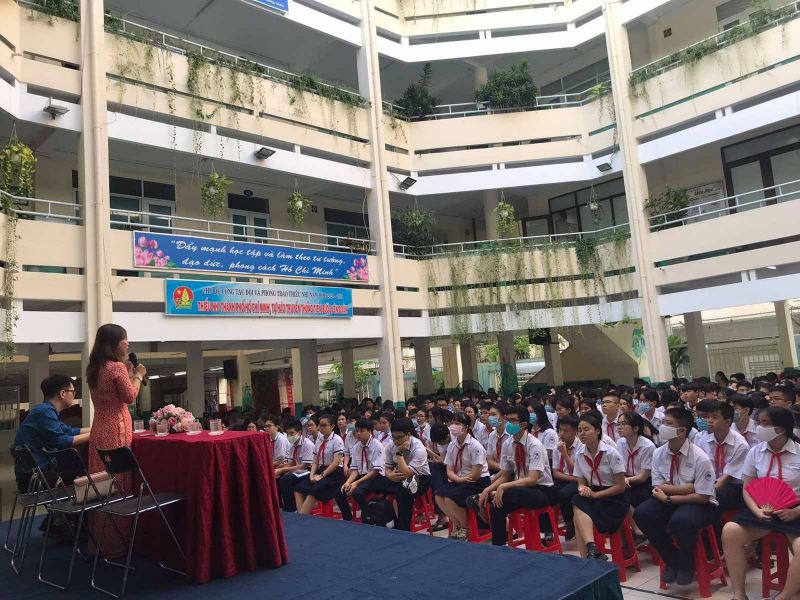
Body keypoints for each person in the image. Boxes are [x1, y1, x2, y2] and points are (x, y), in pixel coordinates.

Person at [633, 407, 717, 586]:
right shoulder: (659, 453)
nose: (662, 427)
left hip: (699, 504)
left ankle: (687, 563)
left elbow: (702, 496)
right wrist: (687, 488)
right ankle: (671, 559)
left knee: (681, 521)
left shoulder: (700, 457)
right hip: (670, 498)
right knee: (642, 514)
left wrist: (671, 497)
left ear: (681, 431)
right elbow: (658, 487)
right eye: (663, 422)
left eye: (668, 424)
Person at [723, 406, 800, 600]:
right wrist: (756, 510)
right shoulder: (755, 451)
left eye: (765, 424)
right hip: (761, 507)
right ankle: (739, 594)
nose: (759, 428)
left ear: (781, 428)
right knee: (730, 531)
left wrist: (796, 512)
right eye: (759, 423)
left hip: (794, 509)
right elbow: (747, 487)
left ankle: (784, 596)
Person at [85, 324, 145, 556]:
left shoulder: (95, 367)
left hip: (99, 427)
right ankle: (117, 543)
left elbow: (111, 394)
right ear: (114, 342)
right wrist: (138, 376)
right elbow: (129, 397)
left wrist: (128, 374)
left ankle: (100, 542)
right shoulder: (116, 367)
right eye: (124, 338)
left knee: (101, 484)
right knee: (118, 482)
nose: (127, 343)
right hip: (117, 428)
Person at [477, 406, 556, 546]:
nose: (508, 424)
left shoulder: (534, 445)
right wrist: (488, 489)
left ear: (523, 424)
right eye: (508, 420)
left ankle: (485, 497)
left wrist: (503, 487)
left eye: (513, 421)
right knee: (496, 506)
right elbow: (505, 475)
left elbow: (532, 480)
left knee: (511, 492)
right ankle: (499, 546)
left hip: (541, 490)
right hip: (519, 489)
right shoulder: (508, 444)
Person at [14, 374, 91, 493]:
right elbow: (62, 441)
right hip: (35, 477)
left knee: (76, 466)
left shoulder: (44, 410)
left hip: (33, 473)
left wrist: (95, 429)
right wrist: (94, 435)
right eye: (73, 392)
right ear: (62, 393)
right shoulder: (44, 412)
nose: (74, 395)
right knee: (83, 470)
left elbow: (68, 431)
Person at [352, 418, 431, 531]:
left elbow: (408, 474)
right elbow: (387, 467)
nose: (396, 441)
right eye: (394, 437)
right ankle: (381, 518)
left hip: (419, 478)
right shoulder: (390, 445)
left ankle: (403, 529)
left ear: (408, 435)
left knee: (404, 492)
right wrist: (390, 475)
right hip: (397, 476)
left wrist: (399, 453)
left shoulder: (419, 449)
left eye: (399, 437)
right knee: (372, 483)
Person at [571, 413, 628, 560]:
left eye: (586, 429)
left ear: (597, 430)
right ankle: (591, 549)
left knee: (577, 516)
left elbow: (621, 486)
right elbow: (581, 482)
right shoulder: (579, 454)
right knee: (577, 499)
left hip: (613, 497)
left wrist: (596, 495)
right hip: (593, 493)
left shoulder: (611, 453)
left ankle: (588, 556)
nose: (582, 433)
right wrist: (582, 489)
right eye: (579, 430)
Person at [434, 412, 490, 540]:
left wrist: (460, 480)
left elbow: (476, 474)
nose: (453, 426)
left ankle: (465, 527)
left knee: (450, 498)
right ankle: (458, 524)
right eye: (452, 423)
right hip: (460, 480)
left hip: (478, 481)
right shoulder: (452, 445)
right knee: (438, 495)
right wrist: (458, 479)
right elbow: (449, 470)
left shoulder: (475, 446)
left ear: (465, 427)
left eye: (457, 423)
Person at [695, 399, 748, 512]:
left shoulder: (740, 444)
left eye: (714, 417)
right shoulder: (701, 439)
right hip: (708, 481)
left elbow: (729, 475)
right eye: (707, 417)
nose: (709, 421)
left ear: (727, 421)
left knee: (713, 497)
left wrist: (709, 490)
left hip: (731, 485)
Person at [296, 415, 350, 519]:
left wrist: (321, 476)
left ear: (332, 426)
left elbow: (336, 462)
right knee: (299, 487)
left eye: (324, 425)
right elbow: (315, 461)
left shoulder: (337, 440)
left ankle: (301, 518)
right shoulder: (319, 439)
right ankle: (301, 515)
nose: (321, 428)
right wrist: (312, 475)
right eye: (320, 426)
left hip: (335, 473)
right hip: (321, 469)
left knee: (315, 490)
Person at [343, 418, 386, 516]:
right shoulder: (356, 447)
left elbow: (375, 471)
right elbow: (355, 470)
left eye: (362, 431)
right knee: (340, 491)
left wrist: (356, 483)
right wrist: (348, 482)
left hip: (375, 477)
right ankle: (347, 518)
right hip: (362, 476)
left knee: (357, 492)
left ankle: (370, 516)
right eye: (357, 431)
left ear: (369, 431)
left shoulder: (377, 446)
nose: (358, 433)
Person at [616, 411, 655, 510]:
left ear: (636, 428)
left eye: (624, 424)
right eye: (618, 424)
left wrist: (624, 480)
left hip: (643, 484)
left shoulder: (648, 446)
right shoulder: (620, 442)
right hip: (625, 480)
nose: (619, 427)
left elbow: (643, 477)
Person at [276, 419, 314, 512]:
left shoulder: (307, 444)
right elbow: (291, 462)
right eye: (287, 434)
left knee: (286, 479)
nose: (289, 436)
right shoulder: (291, 444)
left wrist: (283, 470)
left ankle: (291, 509)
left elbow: (304, 466)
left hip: (309, 471)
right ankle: (281, 506)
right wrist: (279, 470)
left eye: (292, 433)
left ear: (299, 433)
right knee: (277, 477)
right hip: (298, 471)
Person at [552, 415, 580, 540]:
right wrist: (574, 479)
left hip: (580, 480)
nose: (562, 434)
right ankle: (548, 530)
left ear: (575, 431)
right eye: (560, 430)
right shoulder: (557, 446)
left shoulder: (581, 446)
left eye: (566, 431)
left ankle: (570, 523)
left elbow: (577, 472)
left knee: (564, 494)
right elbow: (555, 473)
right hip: (567, 479)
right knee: (547, 490)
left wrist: (564, 453)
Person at [486, 404, 509, 475]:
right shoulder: (492, 435)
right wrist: (502, 469)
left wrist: (505, 470)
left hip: (511, 472)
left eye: (493, 414)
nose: (490, 417)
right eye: (490, 415)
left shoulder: (511, 434)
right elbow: (490, 460)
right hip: (496, 470)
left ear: (504, 417)